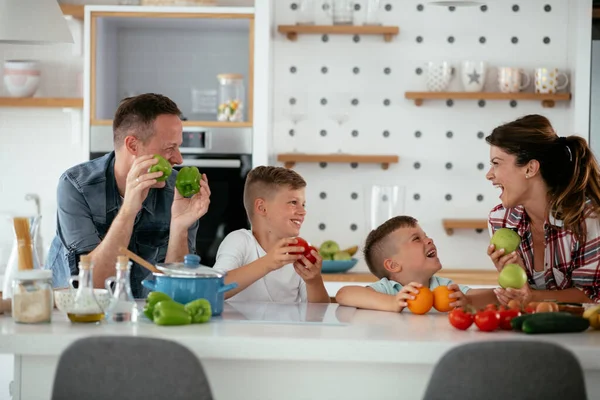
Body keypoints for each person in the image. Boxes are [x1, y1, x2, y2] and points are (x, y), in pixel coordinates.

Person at [46, 93, 211, 298]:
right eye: (169, 148)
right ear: (132, 145)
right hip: (74, 316)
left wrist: (179, 226)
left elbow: (179, 292)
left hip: (143, 315)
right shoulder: (76, 187)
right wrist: (129, 210)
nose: (178, 159)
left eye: (178, 147)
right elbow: (90, 288)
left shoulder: (175, 191)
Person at [486, 114, 600, 305]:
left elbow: (594, 296)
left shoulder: (587, 220)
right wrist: (514, 279)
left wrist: (531, 296)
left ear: (530, 168)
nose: (489, 175)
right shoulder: (500, 220)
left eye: (496, 163)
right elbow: (518, 297)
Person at [213, 166, 330, 303]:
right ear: (262, 208)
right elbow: (213, 288)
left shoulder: (298, 253)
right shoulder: (239, 241)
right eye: (293, 202)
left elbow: (320, 315)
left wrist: (314, 282)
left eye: (303, 205)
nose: (302, 211)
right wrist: (268, 262)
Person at [336, 216, 497, 312]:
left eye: (425, 236)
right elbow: (344, 294)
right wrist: (392, 302)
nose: (429, 240)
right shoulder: (389, 290)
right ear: (393, 265)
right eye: (416, 239)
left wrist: (467, 301)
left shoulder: (443, 286)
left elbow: (493, 297)